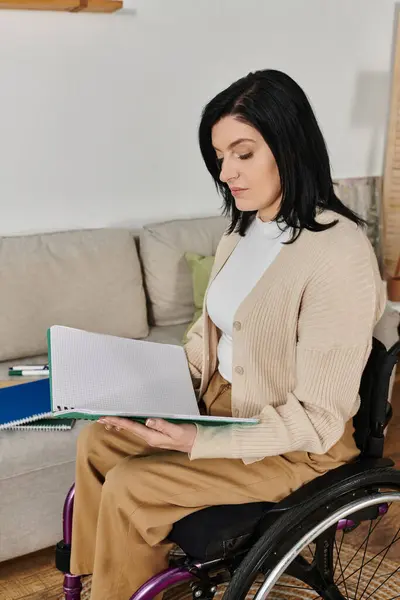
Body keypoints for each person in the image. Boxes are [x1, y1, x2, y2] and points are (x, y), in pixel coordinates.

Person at [70, 69, 386, 599]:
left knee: (133, 483)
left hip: (292, 445)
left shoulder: (339, 253)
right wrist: (140, 385)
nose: (227, 172)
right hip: (220, 403)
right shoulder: (242, 232)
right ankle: (102, 580)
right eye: (220, 157)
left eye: (243, 153)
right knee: (100, 439)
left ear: (288, 145)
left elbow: (318, 419)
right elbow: (208, 337)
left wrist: (198, 439)